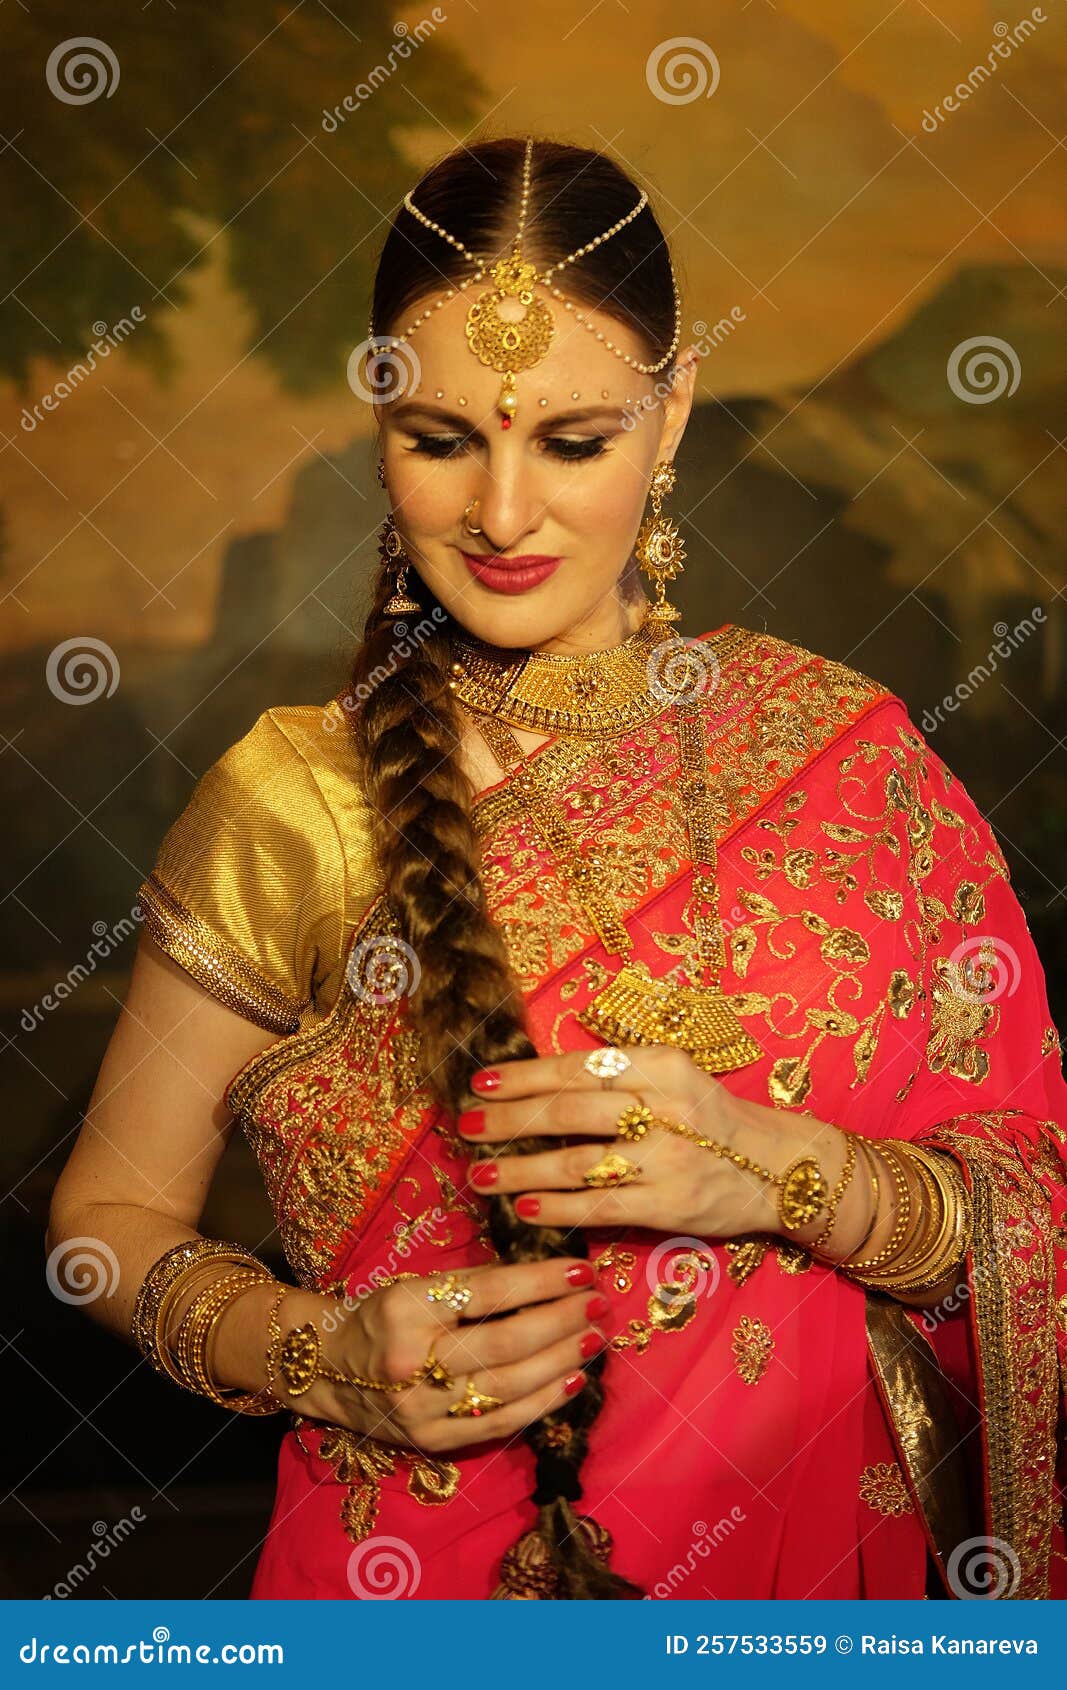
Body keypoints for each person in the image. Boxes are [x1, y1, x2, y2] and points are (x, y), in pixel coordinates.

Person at [47, 134, 1067, 1603]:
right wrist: (323, 1354)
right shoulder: (298, 799)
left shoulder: (857, 760)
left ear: (674, 413)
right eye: (443, 438)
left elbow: (1040, 1210)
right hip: (425, 1582)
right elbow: (104, 1226)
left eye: (574, 441)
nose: (504, 515)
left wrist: (790, 1175)